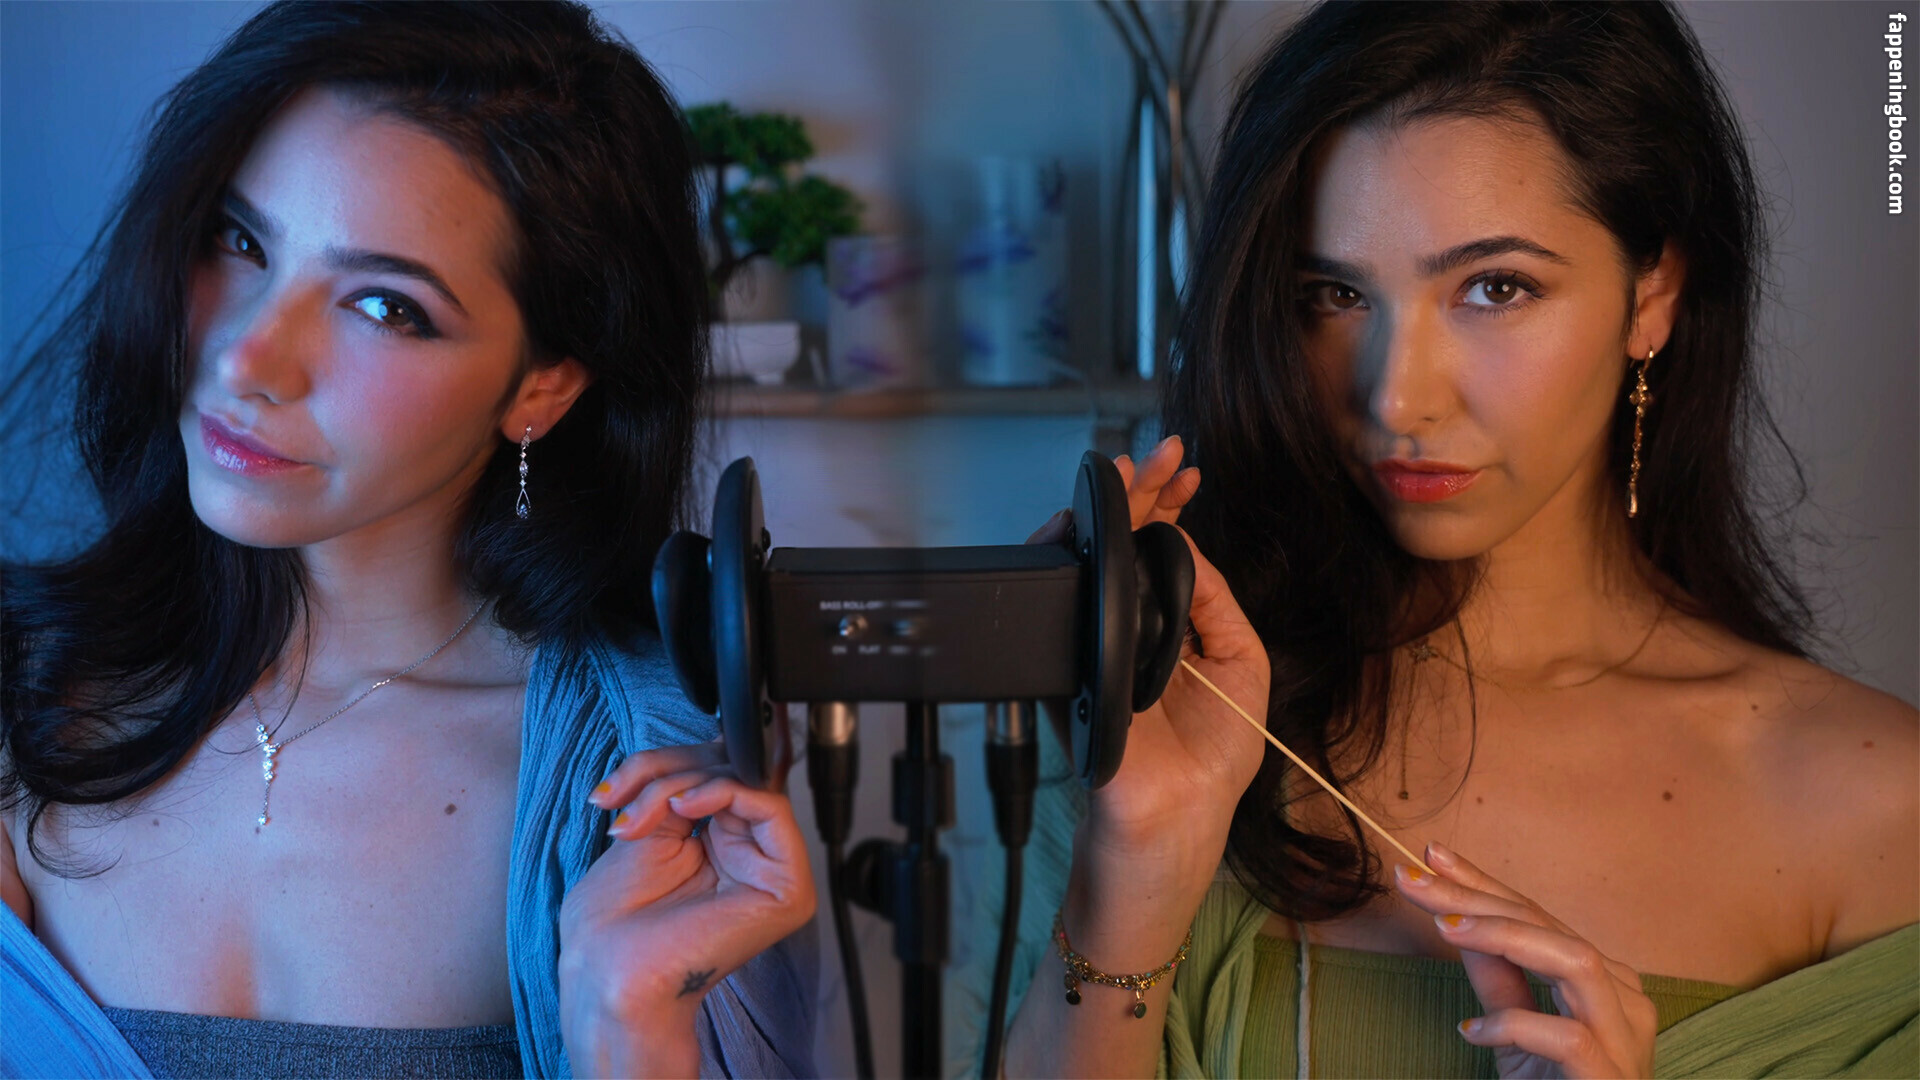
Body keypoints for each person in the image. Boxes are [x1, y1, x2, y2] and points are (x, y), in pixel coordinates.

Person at [968, 2, 1918, 1076]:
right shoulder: (1173, 725)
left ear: (1652, 291)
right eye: (1335, 294)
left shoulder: (1878, 806)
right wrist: (1137, 868)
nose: (1397, 397)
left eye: (1494, 288)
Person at [0, 3, 816, 1077]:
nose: (248, 359)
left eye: (385, 307)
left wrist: (628, 1024)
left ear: (541, 387)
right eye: (241, 242)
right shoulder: (26, 697)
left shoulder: (642, 778)